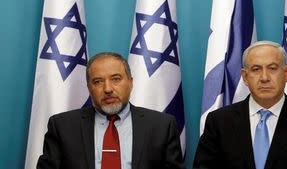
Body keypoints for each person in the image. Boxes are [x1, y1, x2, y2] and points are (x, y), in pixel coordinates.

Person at [193, 41, 287, 169]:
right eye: (256, 69)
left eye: (272, 68)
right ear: (245, 77)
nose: (264, 78)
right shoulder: (219, 121)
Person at [37, 52, 185, 169]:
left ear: (131, 83)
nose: (107, 89)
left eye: (116, 79)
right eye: (98, 82)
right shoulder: (62, 126)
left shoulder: (162, 126)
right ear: (89, 88)